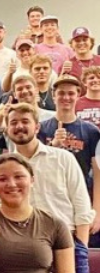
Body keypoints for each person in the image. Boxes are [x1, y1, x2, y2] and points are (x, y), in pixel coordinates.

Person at [5, 103, 93, 273]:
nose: (19, 126)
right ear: (7, 129)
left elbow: (81, 203)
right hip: (25, 246)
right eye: (14, 123)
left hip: (66, 241)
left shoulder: (63, 158)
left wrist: (81, 245)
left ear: (37, 127)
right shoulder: (5, 167)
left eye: (25, 121)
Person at [37, 75, 100, 235]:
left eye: (71, 93)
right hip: (49, 200)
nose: (66, 97)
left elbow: (98, 174)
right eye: (61, 93)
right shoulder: (41, 129)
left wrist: (97, 212)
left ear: (78, 95)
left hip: (80, 199)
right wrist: (53, 145)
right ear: (54, 95)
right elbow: (35, 166)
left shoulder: (90, 131)